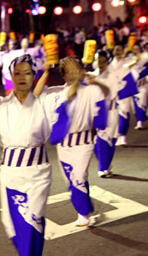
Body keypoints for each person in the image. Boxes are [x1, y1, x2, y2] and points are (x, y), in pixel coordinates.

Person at [0, 54, 77, 256]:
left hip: (37, 173)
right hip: (9, 173)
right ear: (11, 76)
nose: (22, 77)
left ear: (34, 75)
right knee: (12, 225)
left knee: (31, 222)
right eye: (17, 73)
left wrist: (75, 78)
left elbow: (68, 96)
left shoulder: (45, 102)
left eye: (27, 73)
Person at [52, 57, 108, 226]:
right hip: (63, 145)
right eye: (67, 71)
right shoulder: (58, 94)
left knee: (78, 176)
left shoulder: (92, 91)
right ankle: (85, 208)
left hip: (84, 142)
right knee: (72, 181)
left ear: (81, 70)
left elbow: (101, 116)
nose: (71, 74)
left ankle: (84, 214)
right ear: (63, 75)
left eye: (74, 70)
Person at [87, 50, 138, 177]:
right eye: (99, 60)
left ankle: (106, 165)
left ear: (108, 62)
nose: (101, 63)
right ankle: (103, 167)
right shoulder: (91, 75)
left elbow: (112, 90)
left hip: (110, 112)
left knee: (110, 140)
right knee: (98, 140)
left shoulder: (113, 76)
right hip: (96, 113)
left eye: (104, 61)